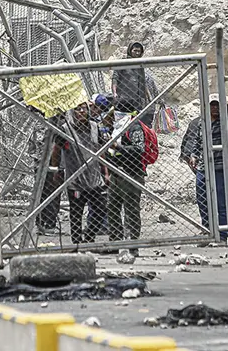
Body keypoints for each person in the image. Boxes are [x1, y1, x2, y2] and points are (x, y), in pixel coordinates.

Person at [181, 95, 228, 241]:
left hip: (219, 166)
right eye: (212, 105)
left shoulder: (225, 122)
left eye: (218, 105)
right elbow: (198, 141)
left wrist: (224, 101)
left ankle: (223, 234)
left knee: (221, 201)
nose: (215, 108)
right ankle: (208, 230)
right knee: (202, 199)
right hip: (203, 167)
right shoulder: (202, 123)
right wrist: (193, 155)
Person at [56, 103, 108, 245]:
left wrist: (106, 171)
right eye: (78, 109)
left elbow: (101, 150)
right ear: (72, 112)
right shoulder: (65, 129)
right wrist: (57, 169)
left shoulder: (94, 127)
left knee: (101, 209)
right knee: (76, 213)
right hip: (75, 179)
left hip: (94, 178)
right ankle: (77, 243)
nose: (81, 111)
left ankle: (90, 237)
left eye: (84, 108)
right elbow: (57, 149)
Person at [105, 106, 150, 258]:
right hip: (116, 174)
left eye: (117, 112)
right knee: (113, 208)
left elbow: (139, 149)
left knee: (131, 210)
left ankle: (132, 245)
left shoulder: (133, 126)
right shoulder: (116, 127)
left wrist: (119, 147)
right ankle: (115, 243)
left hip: (131, 174)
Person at [111, 42, 159, 123]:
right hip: (124, 100)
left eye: (139, 51)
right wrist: (114, 93)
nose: (137, 53)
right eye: (135, 51)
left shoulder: (139, 65)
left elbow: (143, 82)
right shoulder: (122, 63)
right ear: (130, 50)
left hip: (137, 101)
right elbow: (115, 79)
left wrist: (149, 96)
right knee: (122, 123)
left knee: (136, 123)